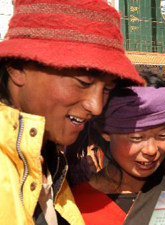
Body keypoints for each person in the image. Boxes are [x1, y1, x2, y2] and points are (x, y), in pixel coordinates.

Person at [0, 0, 143, 224]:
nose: (96, 107)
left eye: (107, 89)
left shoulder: (47, 158)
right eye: (83, 82)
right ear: (18, 68)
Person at [72, 86, 165, 225]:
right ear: (105, 133)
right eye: (137, 138)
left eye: (163, 135)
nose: (151, 150)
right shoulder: (73, 205)